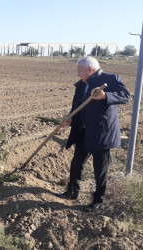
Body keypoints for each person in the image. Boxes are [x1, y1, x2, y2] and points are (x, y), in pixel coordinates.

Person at [56, 56, 130, 212]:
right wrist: (70, 119)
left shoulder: (109, 79)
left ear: (90, 69)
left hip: (101, 133)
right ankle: (72, 192)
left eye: (79, 71)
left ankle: (98, 200)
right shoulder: (82, 84)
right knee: (76, 163)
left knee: (100, 169)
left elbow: (125, 96)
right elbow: (78, 105)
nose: (78, 74)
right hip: (83, 131)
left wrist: (105, 96)